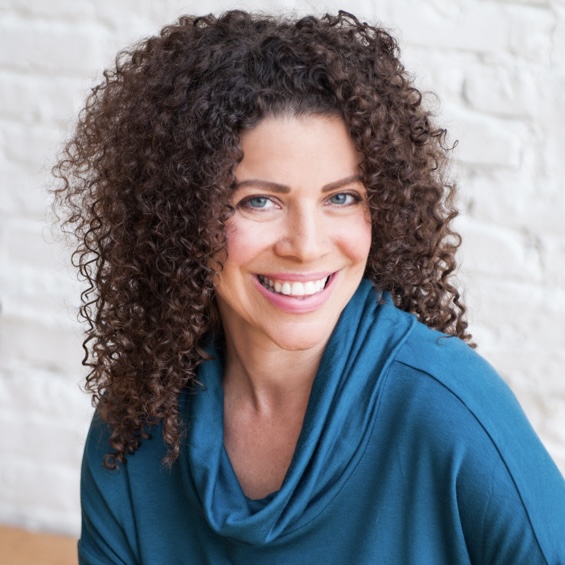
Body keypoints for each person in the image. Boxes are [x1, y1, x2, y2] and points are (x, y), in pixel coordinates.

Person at [53, 10, 565, 564]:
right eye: (259, 201)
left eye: (342, 197)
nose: (307, 244)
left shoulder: (452, 411)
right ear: (178, 217)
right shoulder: (138, 427)